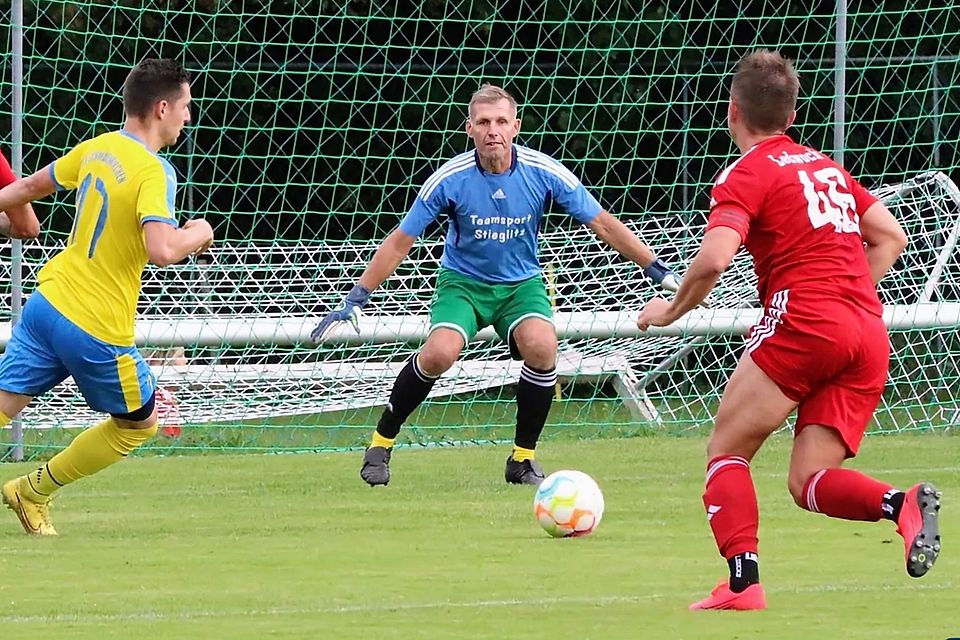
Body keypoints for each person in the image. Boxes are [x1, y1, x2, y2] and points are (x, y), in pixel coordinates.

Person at [636, 50, 940, 611]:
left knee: (727, 451)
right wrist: (845, 301)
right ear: (793, 115)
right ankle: (905, 505)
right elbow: (891, 237)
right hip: (867, 331)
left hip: (804, 322)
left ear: (732, 111)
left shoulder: (745, 173)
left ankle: (743, 585)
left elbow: (714, 259)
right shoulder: (825, 166)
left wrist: (668, 312)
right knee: (808, 481)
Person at [312, 83, 680, 487]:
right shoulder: (449, 179)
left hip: (521, 285)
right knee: (438, 353)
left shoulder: (543, 171)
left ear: (516, 126)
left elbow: (602, 222)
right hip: (463, 286)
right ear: (469, 128)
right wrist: (357, 296)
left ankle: (522, 460)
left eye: (501, 121)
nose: (493, 130)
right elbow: (402, 241)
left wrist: (657, 269)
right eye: (484, 122)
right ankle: (381, 442)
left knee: (543, 346)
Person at [0, 58, 214, 535]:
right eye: (185, 107)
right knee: (141, 424)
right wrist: (198, 231)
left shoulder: (98, 148)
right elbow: (161, 250)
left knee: (4, 404)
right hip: (95, 326)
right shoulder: (155, 172)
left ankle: (29, 493)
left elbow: (32, 186)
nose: (188, 117)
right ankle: (32, 491)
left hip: (47, 302)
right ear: (162, 108)